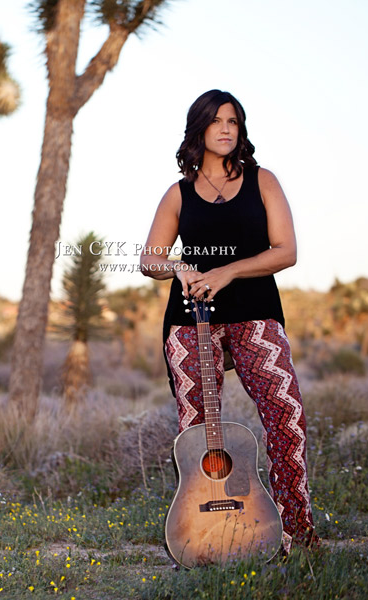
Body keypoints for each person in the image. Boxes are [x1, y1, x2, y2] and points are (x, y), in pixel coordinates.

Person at [139, 89, 318, 553]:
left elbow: (287, 251)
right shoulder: (178, 193)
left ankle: (295, 533)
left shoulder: (264, 181)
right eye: (216, 120)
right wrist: (179, 267)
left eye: (233, 121)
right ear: (198, 128)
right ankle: (208, 538)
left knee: (286, 417)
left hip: (255, 312)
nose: (225, 128)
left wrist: (229, 270)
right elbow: (149, 259)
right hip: (190, 321)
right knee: (199, 434)